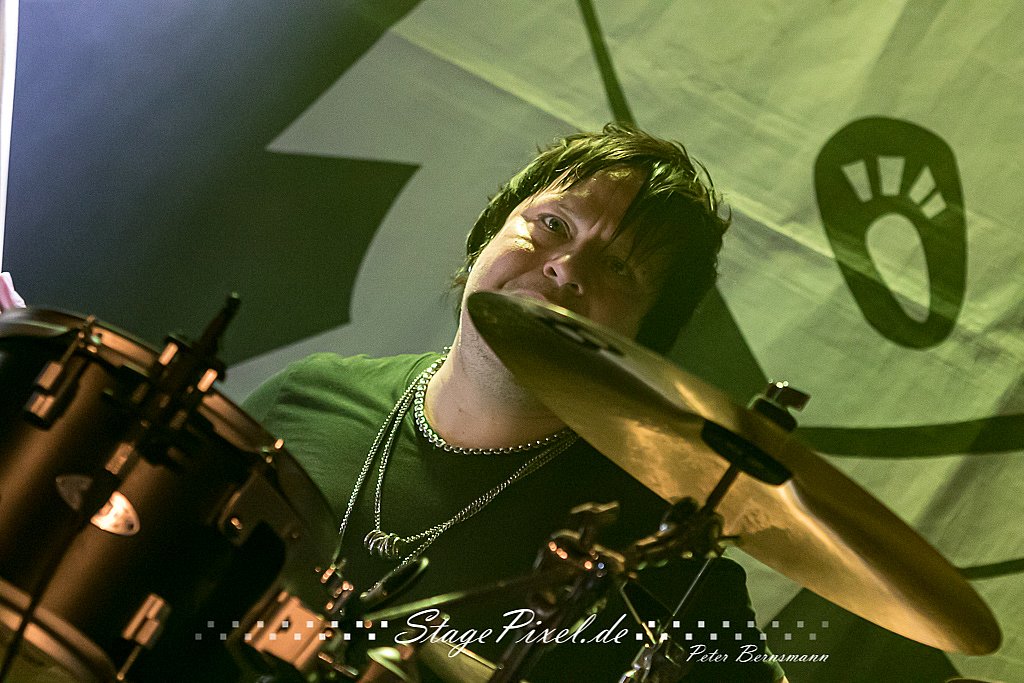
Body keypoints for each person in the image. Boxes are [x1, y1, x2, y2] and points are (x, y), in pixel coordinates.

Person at [241, 124, 786, 682]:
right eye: (554, 225)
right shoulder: (304, 400)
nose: (567, 267)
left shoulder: (653, 547)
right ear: (490, 232)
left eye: (619, 267)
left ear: (645, 336)